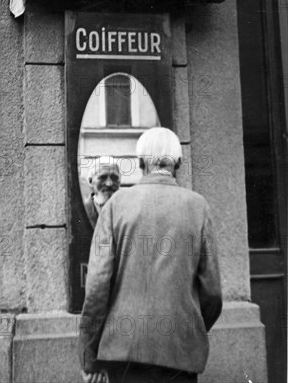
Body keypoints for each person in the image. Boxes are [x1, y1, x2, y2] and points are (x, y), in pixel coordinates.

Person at [78, 127, 222, 383]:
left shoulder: (114, 207)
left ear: (141, 163)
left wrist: (90, 358)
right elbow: (212, 293)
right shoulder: (198, 207)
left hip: (123, 351)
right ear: (178, 162)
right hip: (179, 352)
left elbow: (97, 287)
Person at [83, 156, 121, 229]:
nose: (109, 184)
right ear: (91, 181)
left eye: (114, 178)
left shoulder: (129, 209)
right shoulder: (82, 211)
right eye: (102, 177)